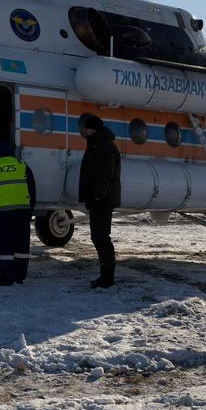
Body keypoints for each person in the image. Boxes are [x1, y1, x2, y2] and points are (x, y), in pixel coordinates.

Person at [78, 113, 121, 288]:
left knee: (101, 237)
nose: (85, 131)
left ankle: (108, 277)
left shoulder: (104, 146)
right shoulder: (97, 144)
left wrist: (97, 195)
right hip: (99, 199)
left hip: (103, 200)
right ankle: (105, 274)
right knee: (98, 237)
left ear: (93, 129)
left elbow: (105, 174)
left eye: (87, 128)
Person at [0, 139, 37, 286]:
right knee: (22, 244)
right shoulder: (22, 165)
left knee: (6, 245)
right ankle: (20, 276)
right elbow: (32, 188)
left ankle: (6, 277)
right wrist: (30, 208)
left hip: (4, 212)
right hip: (23, 211)